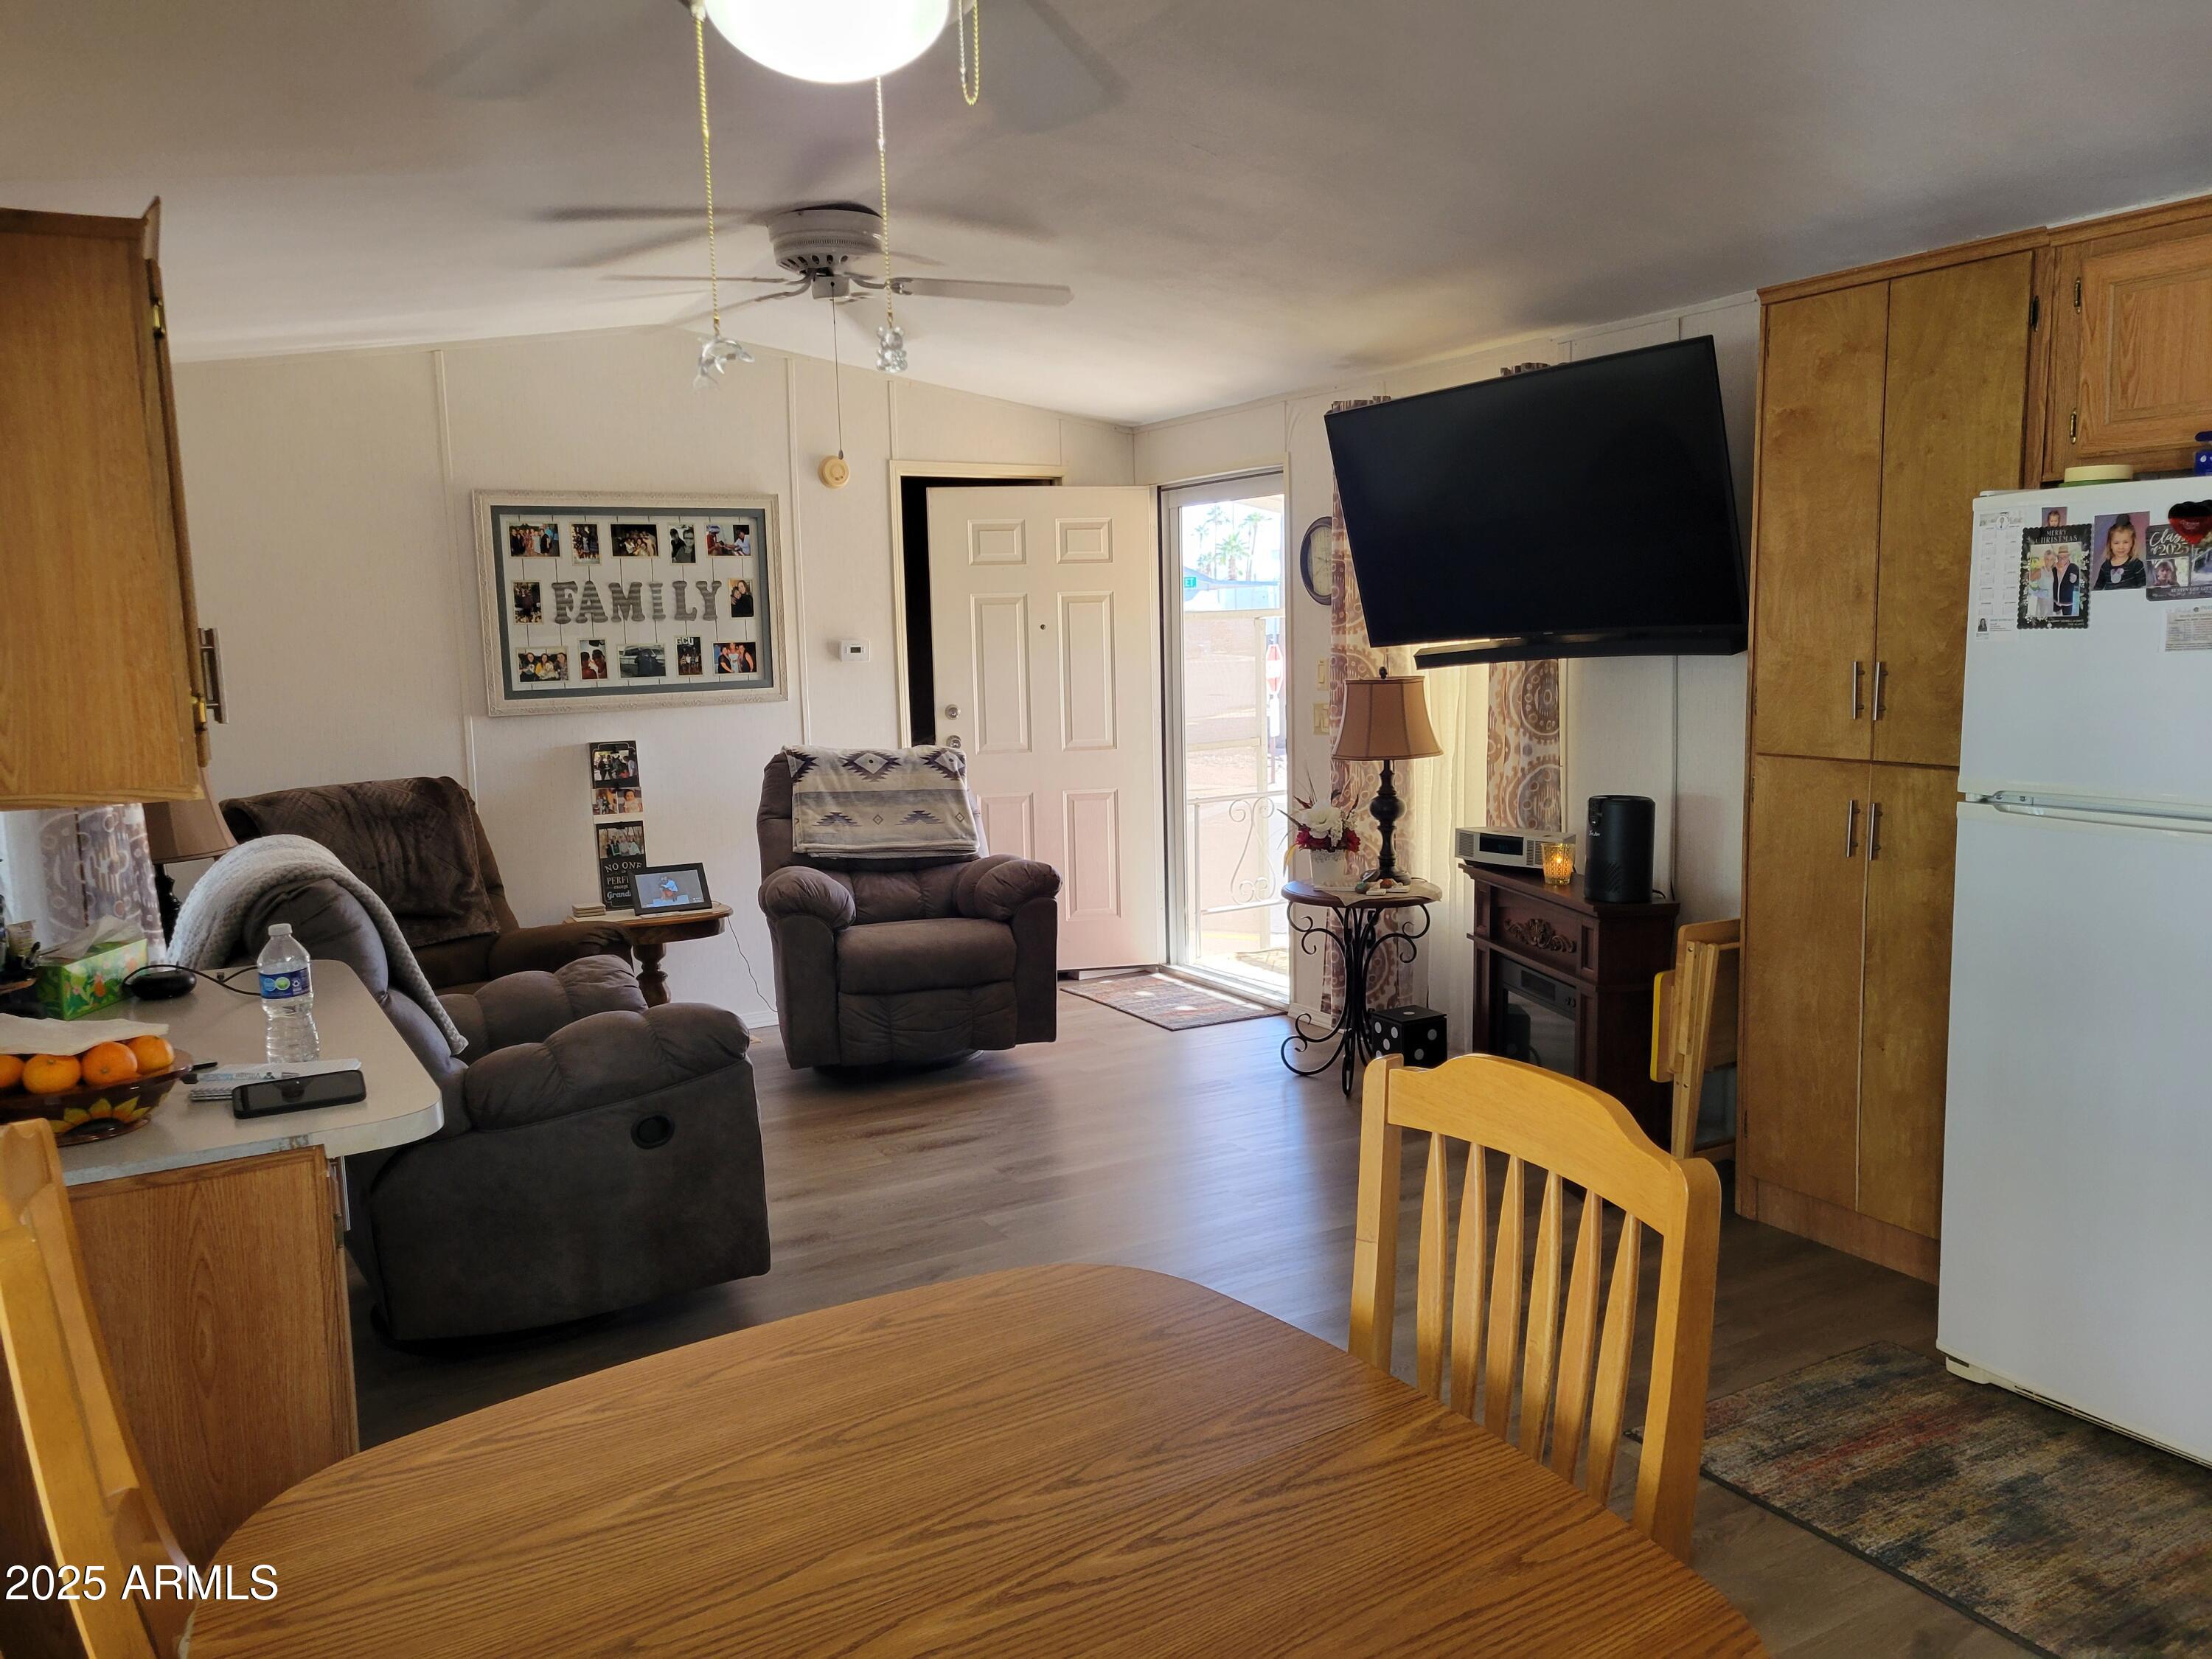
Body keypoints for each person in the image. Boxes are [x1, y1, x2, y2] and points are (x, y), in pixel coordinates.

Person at [2093, 519, 2146, 589]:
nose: (2121, 547)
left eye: (2125, 542)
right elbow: (2097, 589)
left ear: (2132, 543)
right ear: (2110, 545)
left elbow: (2143, 588)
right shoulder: (2105, 567)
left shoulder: (2137, 564)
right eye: (2116, 543)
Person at [2051, 543, 2083, 617]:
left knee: (2067, 618)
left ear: (2068, 557)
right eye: (2060, 557)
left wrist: (2074, 578)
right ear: (2057, 558)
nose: (2062, 560)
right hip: (2055, 600)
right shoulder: (2054, 569)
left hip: (2067, 601)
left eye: (2064, 557)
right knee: (2056, 614)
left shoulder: (2073, 567)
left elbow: (2075, 582)